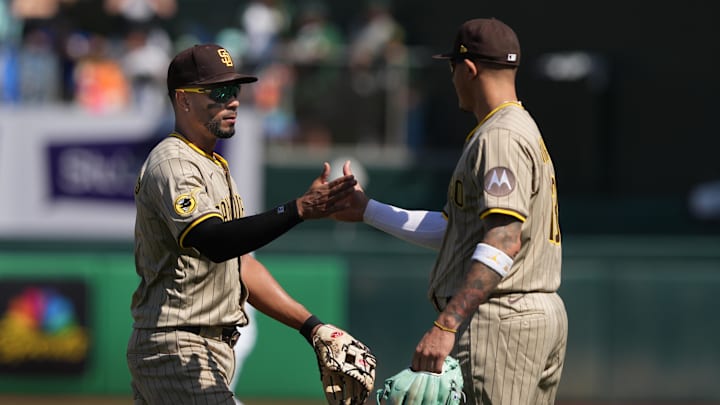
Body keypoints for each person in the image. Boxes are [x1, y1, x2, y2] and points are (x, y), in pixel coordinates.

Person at [333, 18, 568, 404]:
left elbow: (504, 238)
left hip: (502, 315)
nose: (452, 78)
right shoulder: (516, 128)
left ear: (469, 69)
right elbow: (454, 229)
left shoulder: (500, 136)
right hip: (532, 311)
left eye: (452, 67)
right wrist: (367, 210)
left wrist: (447, 323)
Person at [126, 43, 358, 404]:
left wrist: (313, 328)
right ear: (184, 100)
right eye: (218, 93)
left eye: (234, 91)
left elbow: (241, 264)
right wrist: (297, 209)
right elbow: (214, 241)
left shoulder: (215, 166)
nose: (232, 101)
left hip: (200, 349)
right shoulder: (172, 162)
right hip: (177, 344)